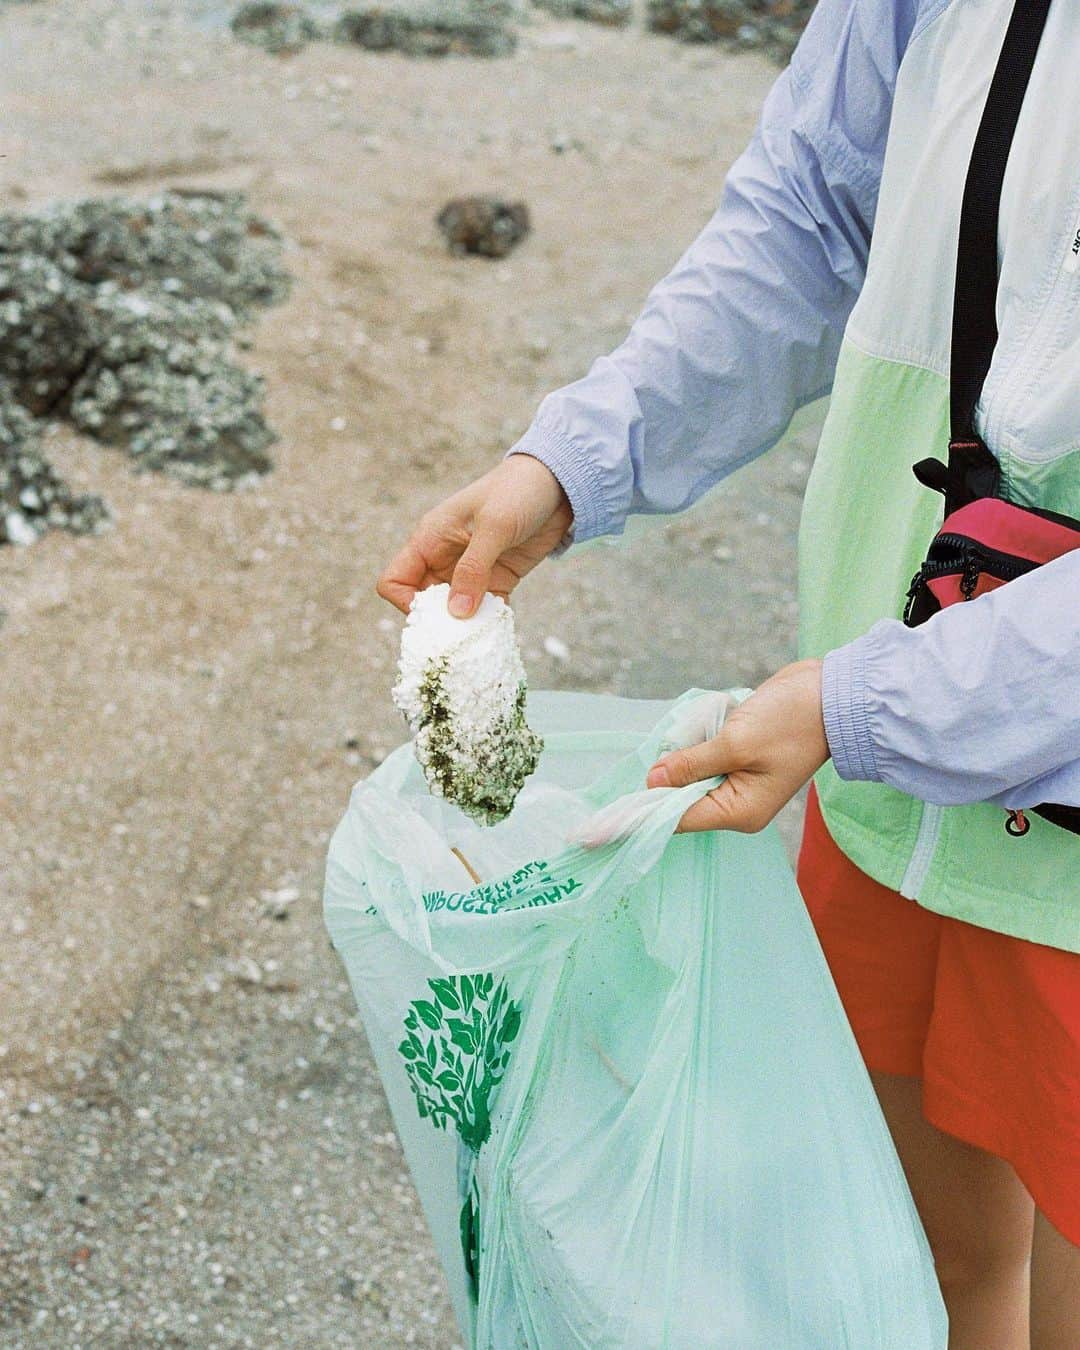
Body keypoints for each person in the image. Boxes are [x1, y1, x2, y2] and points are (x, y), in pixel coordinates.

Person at [377, 0, 1080, 1342]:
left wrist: (857, 704)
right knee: (908, 1269)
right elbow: (812, 215)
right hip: (888, 790)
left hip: (954, 765)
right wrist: (573, 465)